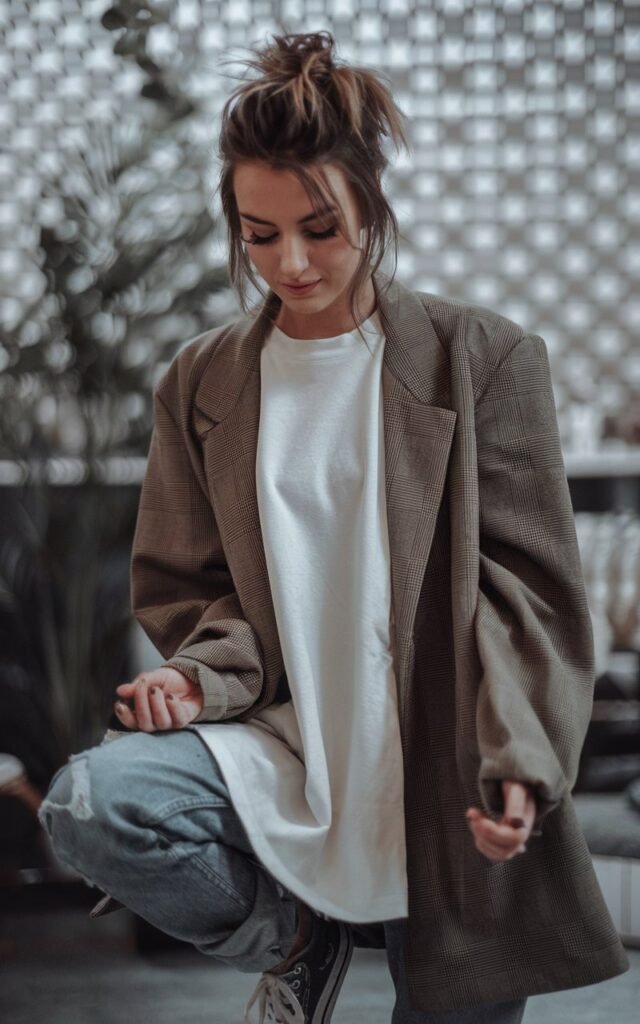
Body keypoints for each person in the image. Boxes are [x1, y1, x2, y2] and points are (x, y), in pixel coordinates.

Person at [39, 29, 629, 1024]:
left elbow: (528, 592)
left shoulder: (481, 359)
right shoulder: (202, 379)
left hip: (443, 766)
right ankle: (299, 940)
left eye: (319, 226)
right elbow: (190, 584)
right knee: (91, 803)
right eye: (258, 234)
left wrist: (517, 758)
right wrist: (193, 675)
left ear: (372, 203)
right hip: (282, 740)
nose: (291, 261)